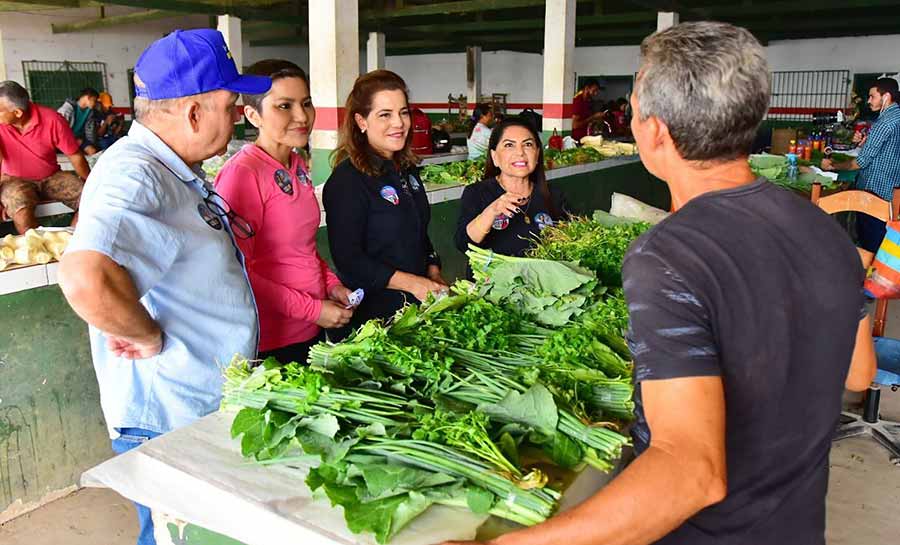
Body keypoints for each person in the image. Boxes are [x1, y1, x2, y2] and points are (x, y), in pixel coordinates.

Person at [445, 21, 876, 545]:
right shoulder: (824, 227)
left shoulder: (669, 253)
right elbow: (857, 373)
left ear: (654, 131)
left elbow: (692, 473)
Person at [57, 29, 270, 545]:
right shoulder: (135, 174)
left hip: (197, 403)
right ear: (195, 112)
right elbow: (85, 277)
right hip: (169, 414)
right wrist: (148, 335)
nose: (239, 114)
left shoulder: (172, 171)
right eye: (230, 103)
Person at [215, 59, 353, 365]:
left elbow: (302, 248)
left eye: (306, 103)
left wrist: (331, 285)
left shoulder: (297, 166)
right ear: (253, 115)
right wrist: (313, 309)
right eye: (284, 106)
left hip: (308, 329)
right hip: (271, 340)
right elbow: (237, 269)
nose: (302, 116)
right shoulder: (244, 174)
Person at [323, 69, 447, 330]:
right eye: (385, 115)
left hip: (414, 310)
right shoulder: (348, 180)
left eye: (403, 112)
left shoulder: (406, 169)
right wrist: (414, 283)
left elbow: (418, 231)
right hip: (374, 320)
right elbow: (350, 260)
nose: (399, 123)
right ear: (361, 121)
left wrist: (433, 268)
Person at [456, 116, 567, 266]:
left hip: (541, 286)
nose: (520, 153)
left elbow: (568, 242)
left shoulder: (554, 195)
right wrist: (491, 211)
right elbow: (463, 244)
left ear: (537, 153)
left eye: (528, 144)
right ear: (495, 157)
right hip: (494, 285)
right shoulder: (477, 193)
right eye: (509, 145)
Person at [0, 80, 90, 234]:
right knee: (20, 209)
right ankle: (36, 249)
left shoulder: (52, 120)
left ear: (17, 113)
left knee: (91, 198)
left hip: (51, 177)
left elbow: (75, 156)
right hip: (14, 180)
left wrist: (91, 183)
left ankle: (74, 242)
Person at [822, 77, 900, 252]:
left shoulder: (885, 122)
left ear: (886, 97)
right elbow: (891, 149)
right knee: (884, 243)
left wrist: (833, 165)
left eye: (872, 96)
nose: (869, 100)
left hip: (874, 192)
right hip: (891, 190)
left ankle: (869, 275)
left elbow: (860, 162)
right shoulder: (897, 116)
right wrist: (866, 143)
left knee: (871, 243)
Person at [57, 87, 102, 155]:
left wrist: (92, 144)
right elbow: (58, 131)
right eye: (94, 101)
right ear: (88, 98)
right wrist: (73, 140)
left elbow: (90, 133)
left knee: (93, 151)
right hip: (65, 139)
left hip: (80, 139)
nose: (95, 104)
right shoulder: (66, 110)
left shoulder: (90, 112)